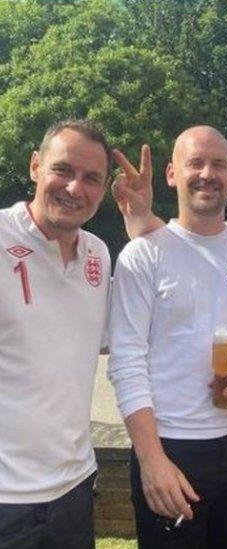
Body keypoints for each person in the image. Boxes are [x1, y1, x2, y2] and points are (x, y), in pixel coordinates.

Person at [108, 126, 227, 548]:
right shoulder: (143, 254)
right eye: (195, 163)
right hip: (173, 449)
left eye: (218, 165)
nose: (207, 174)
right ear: (173, 174)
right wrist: (151, 459)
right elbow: (125, 361)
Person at [0, 119, 113, 548]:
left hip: (75, 489)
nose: (74, 188)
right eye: (62, 170)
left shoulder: (98, 255)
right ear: (34, 166)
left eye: (91, 178)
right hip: (7, 501)